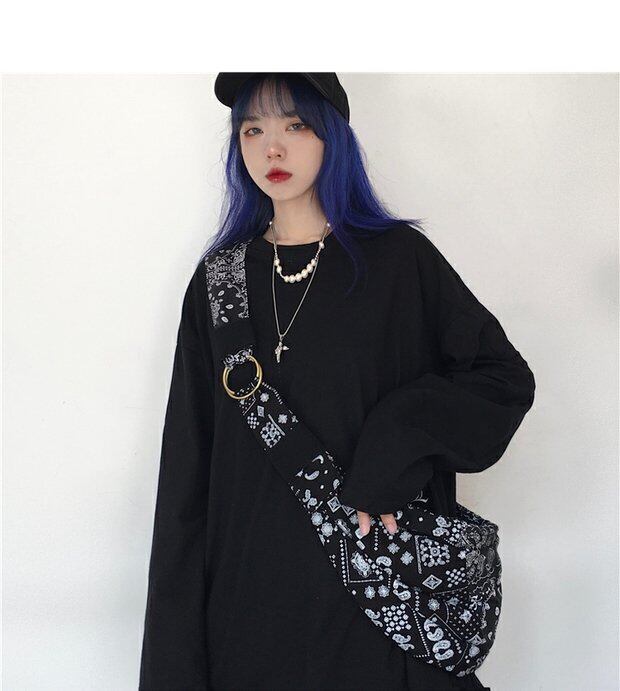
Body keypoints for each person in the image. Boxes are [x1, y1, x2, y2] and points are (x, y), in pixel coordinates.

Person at [138, 73, 535, 691]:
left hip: (377, 607)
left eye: (295, 125)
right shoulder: (218, 284)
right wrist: (174, 664)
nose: (272, 148)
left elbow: (501, 378)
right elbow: (187, 476)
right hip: (250, 617)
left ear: (333, 137)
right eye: (252, 129)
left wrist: (395, 443)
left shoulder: (397, 261)